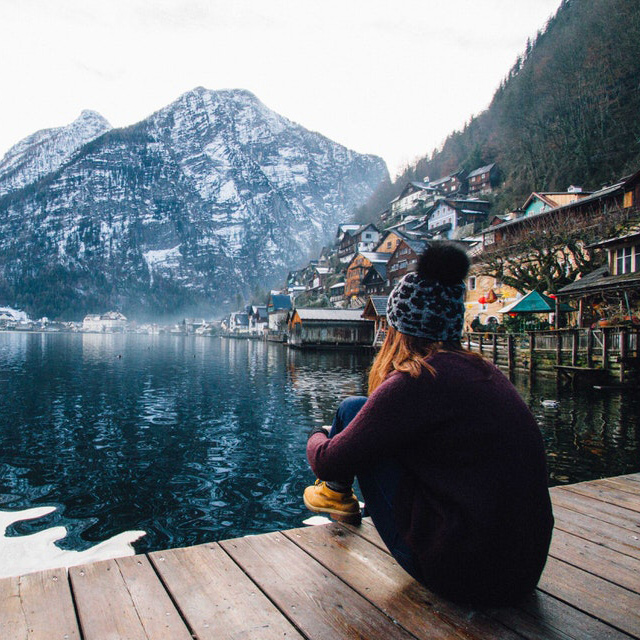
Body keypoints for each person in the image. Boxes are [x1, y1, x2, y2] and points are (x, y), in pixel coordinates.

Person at [303, 241, 554, 607]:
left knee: (353, 425)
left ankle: (334, 494)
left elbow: (325, 459)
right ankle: (336, 493)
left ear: (399, 328)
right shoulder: (484, 372)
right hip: (524, 569)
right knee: (358, 408)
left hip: (464, 574)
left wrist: (319, 434)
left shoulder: (415, 381)